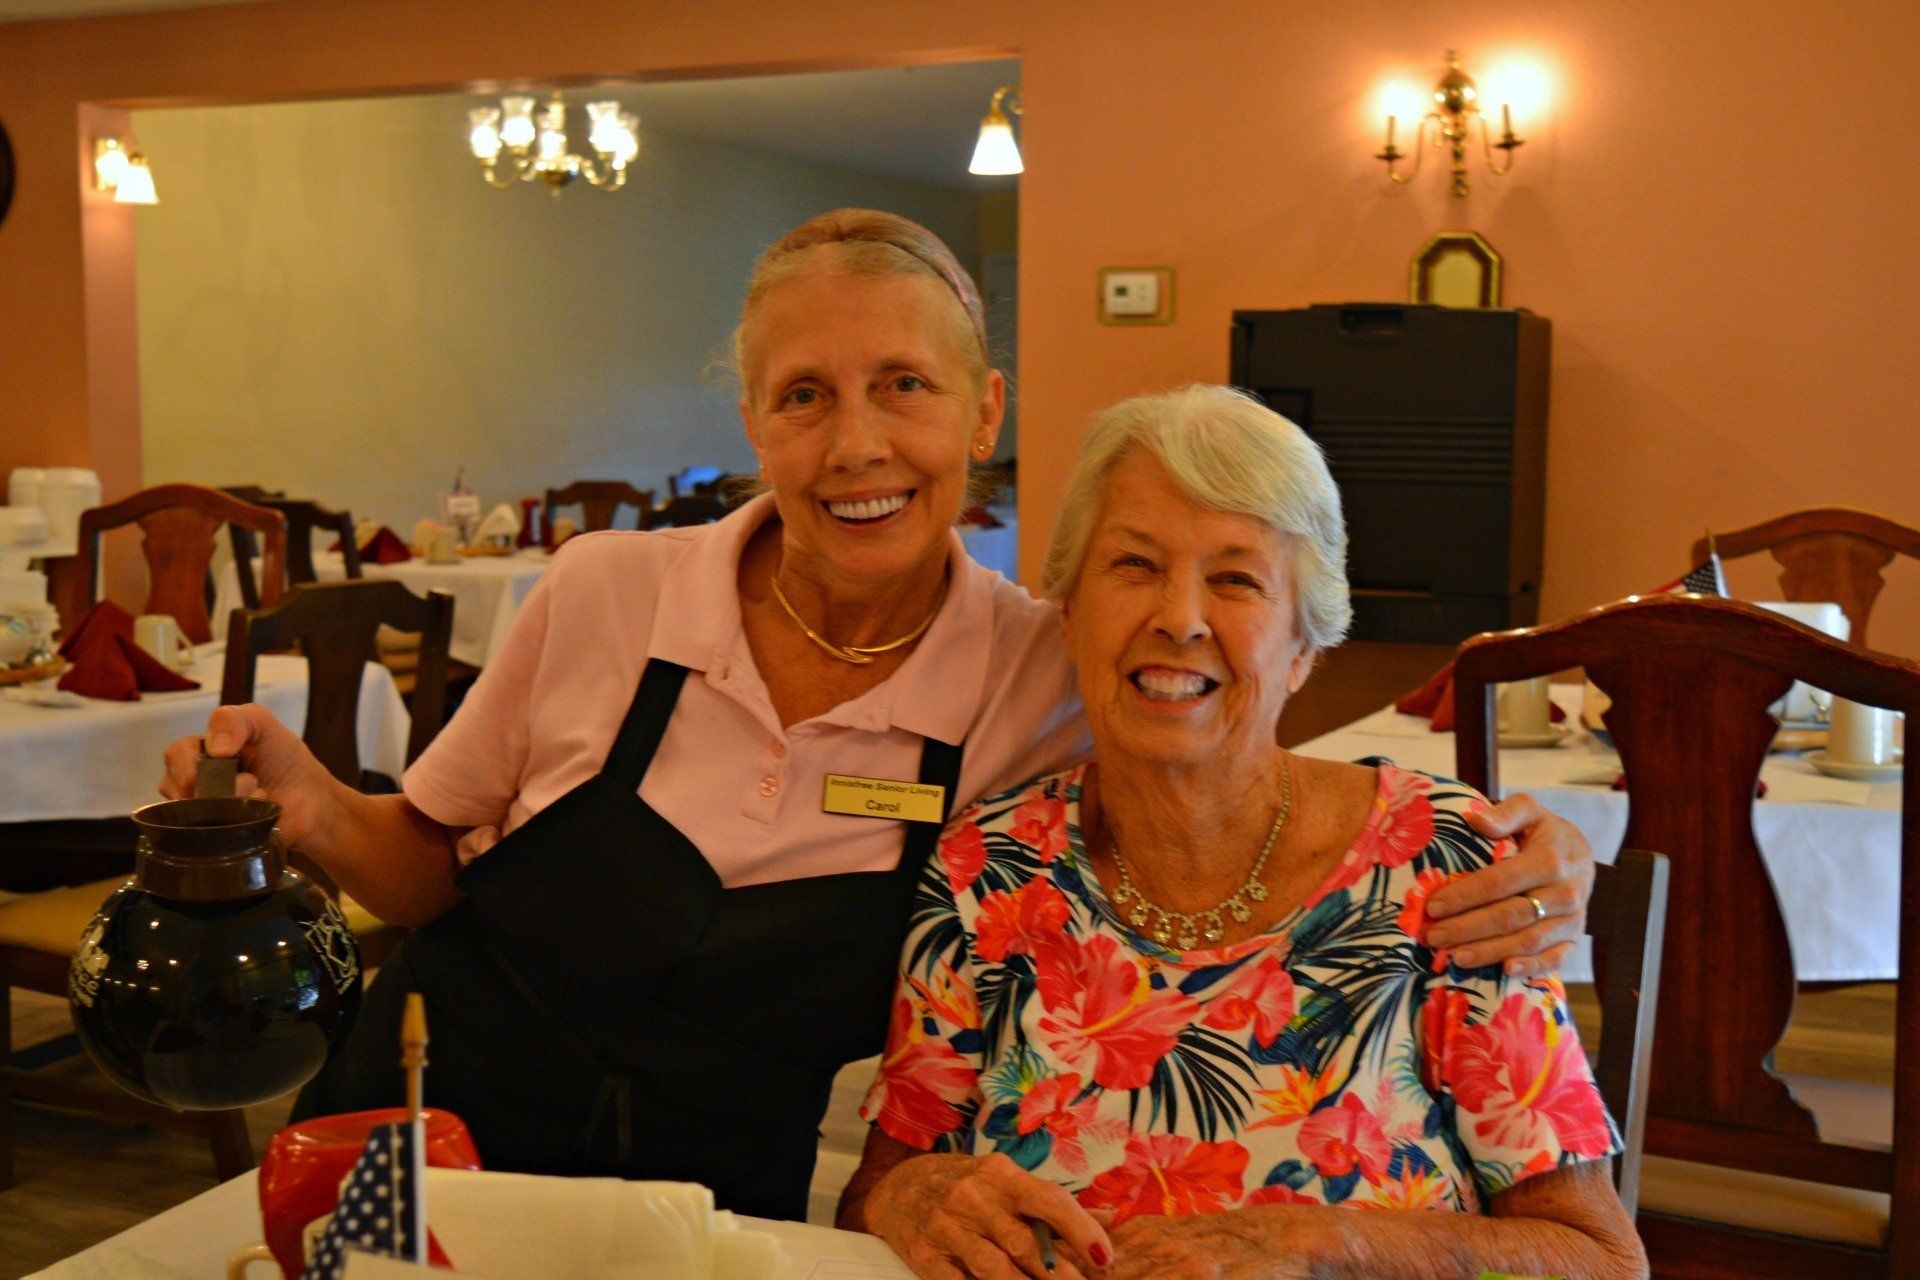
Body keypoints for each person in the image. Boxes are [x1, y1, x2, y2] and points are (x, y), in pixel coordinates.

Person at [160, 212, 1596, 1222]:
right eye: (805, 398)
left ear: (983, 411)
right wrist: (310, 809)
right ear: (755, 423)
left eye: (904, 387)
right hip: (438, 1133)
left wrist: (1529, 861)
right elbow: (424, 862)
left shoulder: (1046, 666)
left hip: (721, 1204)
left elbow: (1234, 746)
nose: (856, 444)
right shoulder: (604, 593)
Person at [840, 385, 1645, 1280]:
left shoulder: (1444, 866)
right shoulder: (986, 871)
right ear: (1067, 611)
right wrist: (910, 1197)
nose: (1179, 618)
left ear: (1304, 645)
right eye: (1135, 566)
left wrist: (1326, 1244)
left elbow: (1599, 1259)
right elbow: (886, 1185)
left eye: (1236, 579)